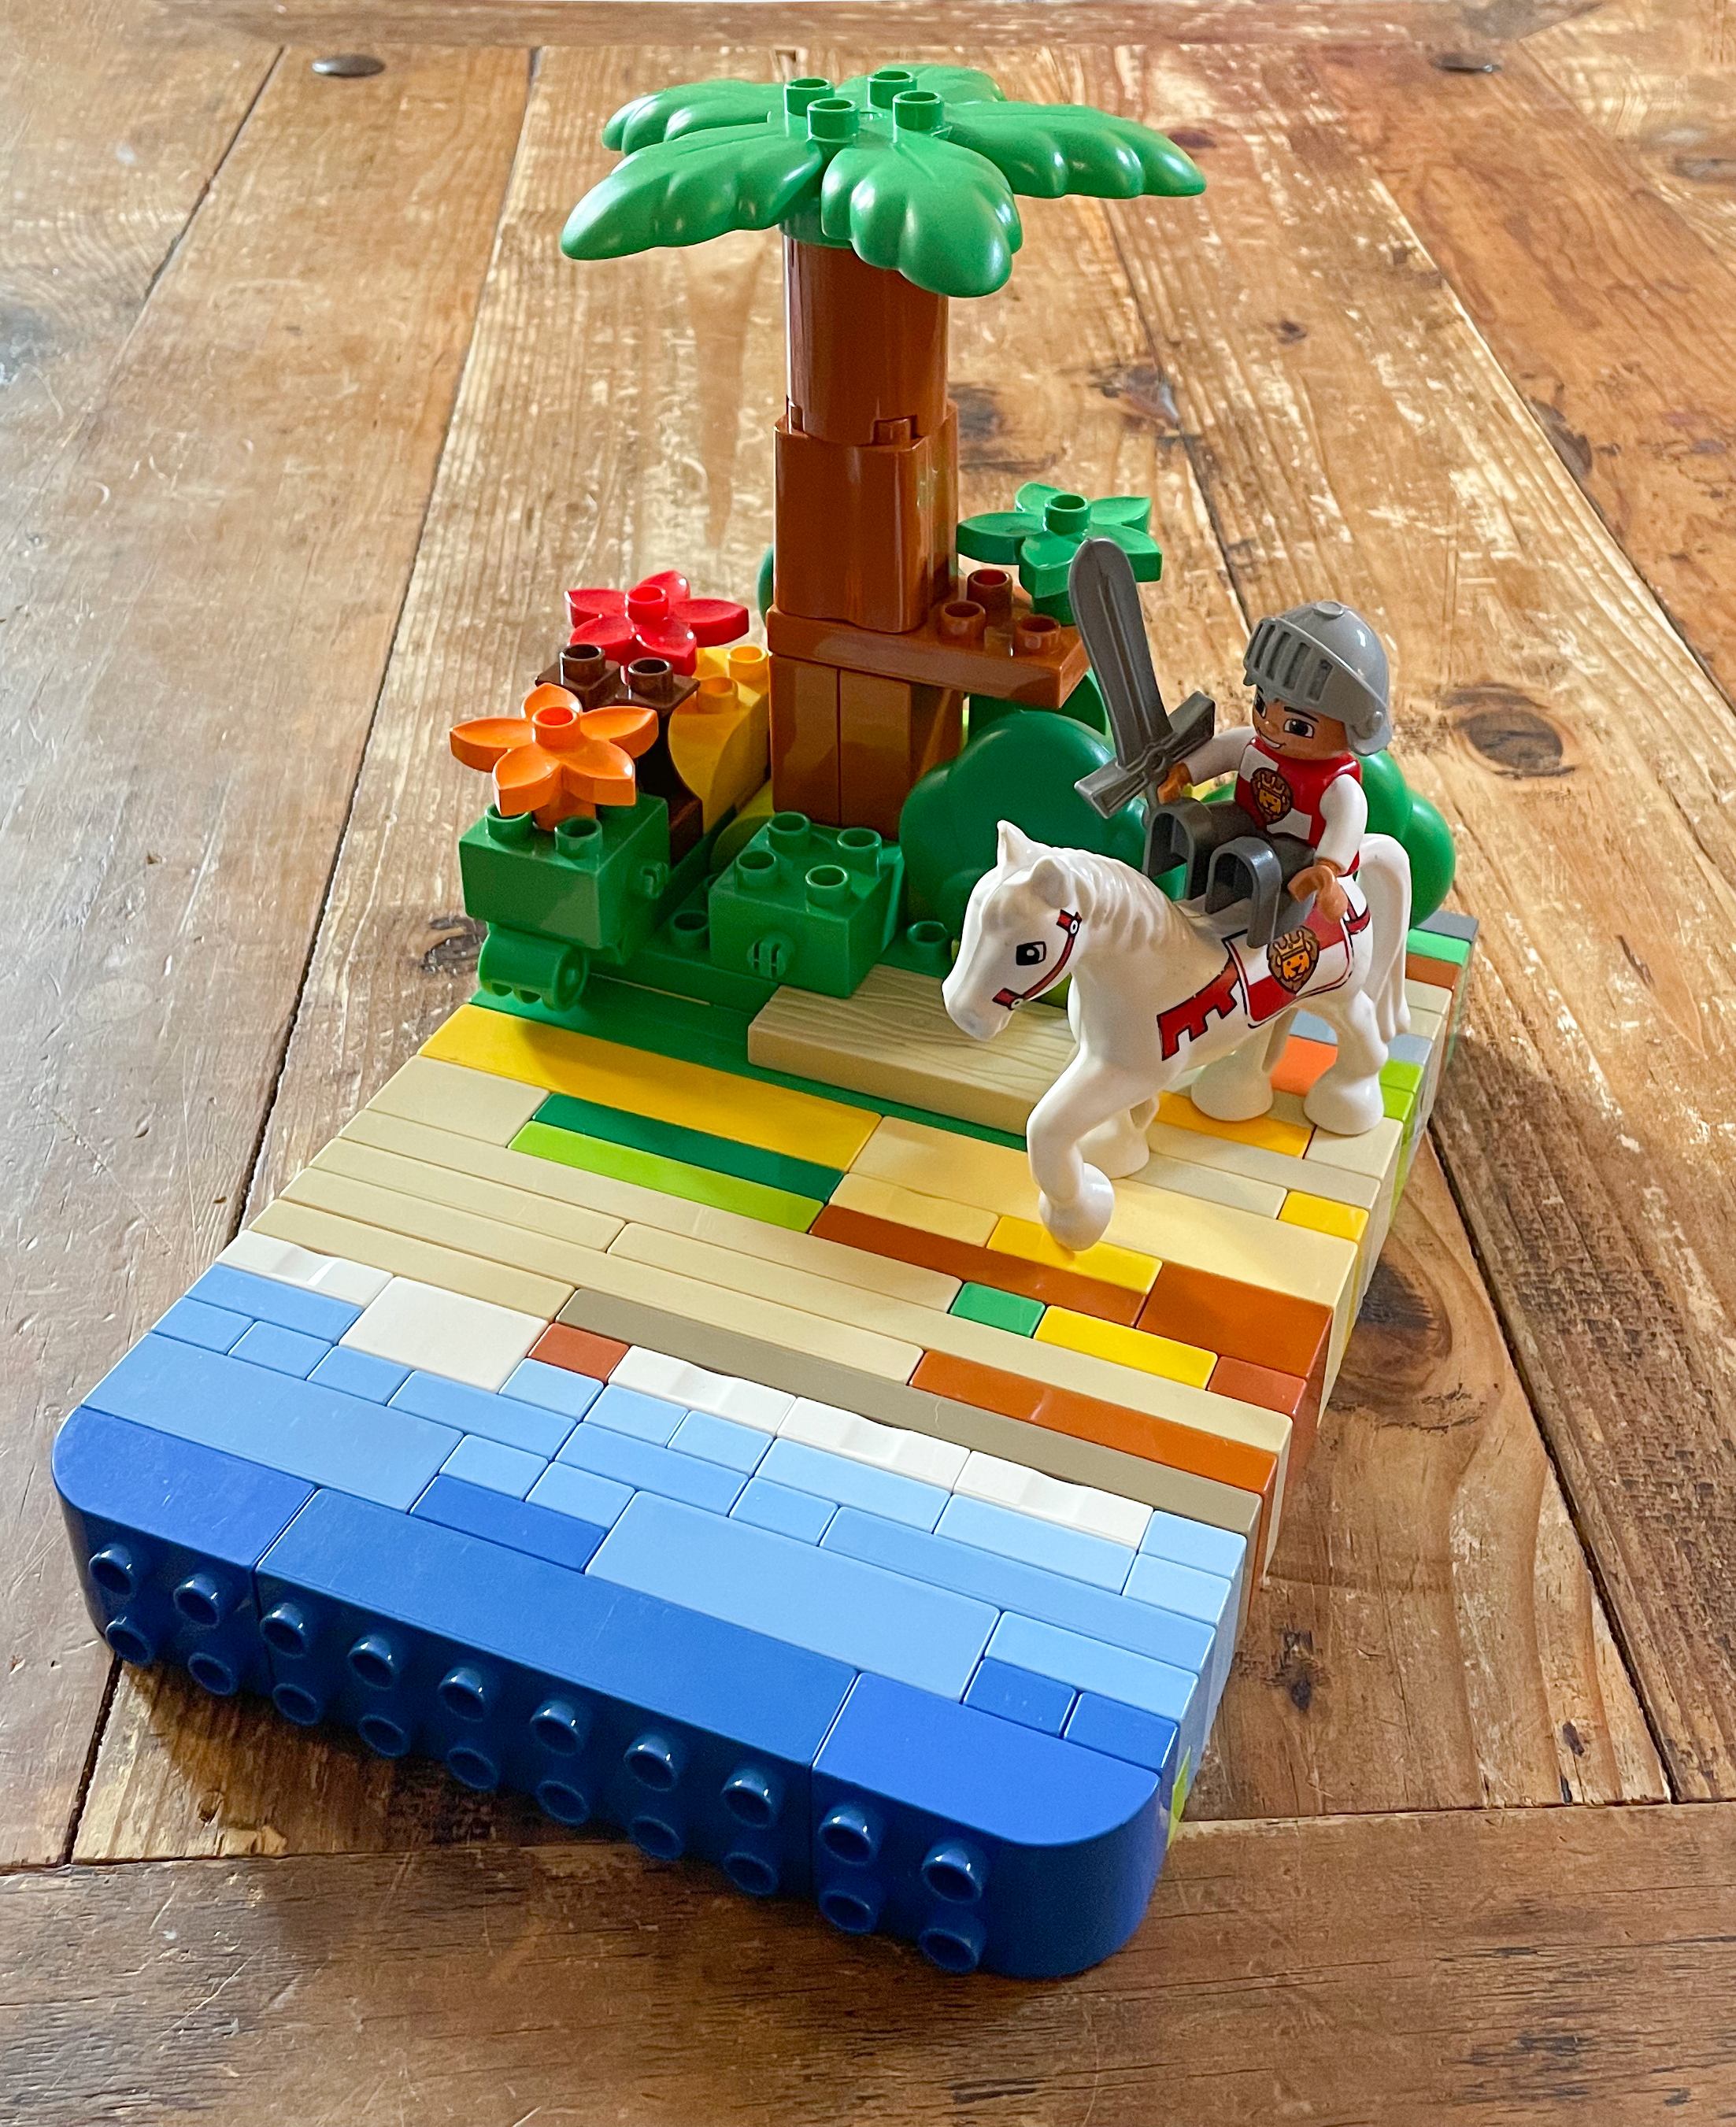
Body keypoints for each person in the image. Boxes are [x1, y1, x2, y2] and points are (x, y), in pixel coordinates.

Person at [1156, 601, 1391, 930]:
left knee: (1267, 866)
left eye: (1298, 726)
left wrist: (1327, 867)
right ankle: (1194, 890)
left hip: (1294, 849)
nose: (1269, 725)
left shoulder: (1338, 786)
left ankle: (1262, 930)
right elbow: (1220, 751)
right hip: (1244, 817)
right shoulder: (1253, 746)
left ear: (1355, 731)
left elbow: (1349, 818)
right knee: (1199, 825)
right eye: (1262, 704)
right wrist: (1183, 774)